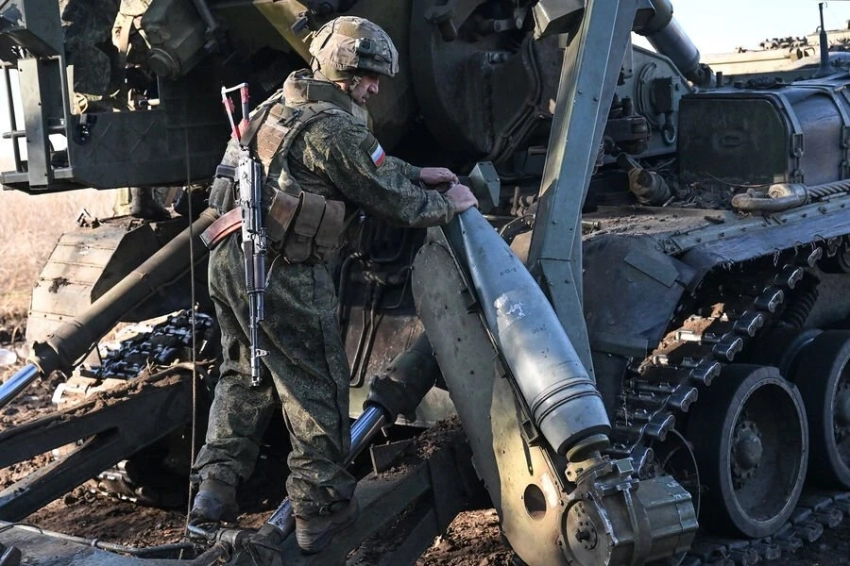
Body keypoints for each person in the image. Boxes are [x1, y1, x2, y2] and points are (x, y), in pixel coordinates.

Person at [190, 15, 478, 554]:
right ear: (345, 73)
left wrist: (416, 171)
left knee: (245, 374)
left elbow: (367, 168)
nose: (375, 89)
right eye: (370, 77)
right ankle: (320, 514)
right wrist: (447, 202)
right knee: (317, 383)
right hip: (283, 268)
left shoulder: (272, 107)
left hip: (229, 260)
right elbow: (391, 201)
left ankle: (214, 489)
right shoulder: (336, 129)